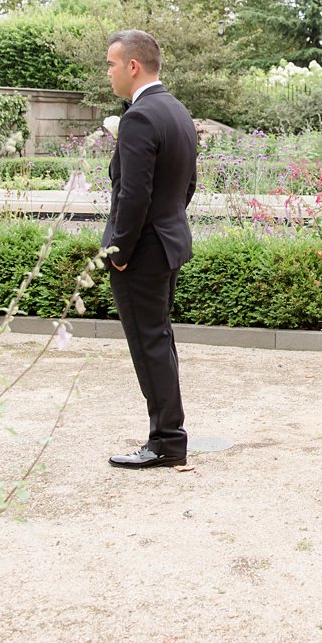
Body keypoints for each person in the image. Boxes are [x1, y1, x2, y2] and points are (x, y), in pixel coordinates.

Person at [101, 30, 198, 469]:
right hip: (168, 242)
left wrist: (119, 250)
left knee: (149, 343)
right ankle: (168, 436)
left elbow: (133, 194)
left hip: (141, 251)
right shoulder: (176, 110)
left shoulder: (140, 117)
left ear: (132, 66)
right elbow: (187, 185)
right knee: (159, 339)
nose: (108, 72)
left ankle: (165, 441)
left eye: (111, 64)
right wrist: (167, 224)